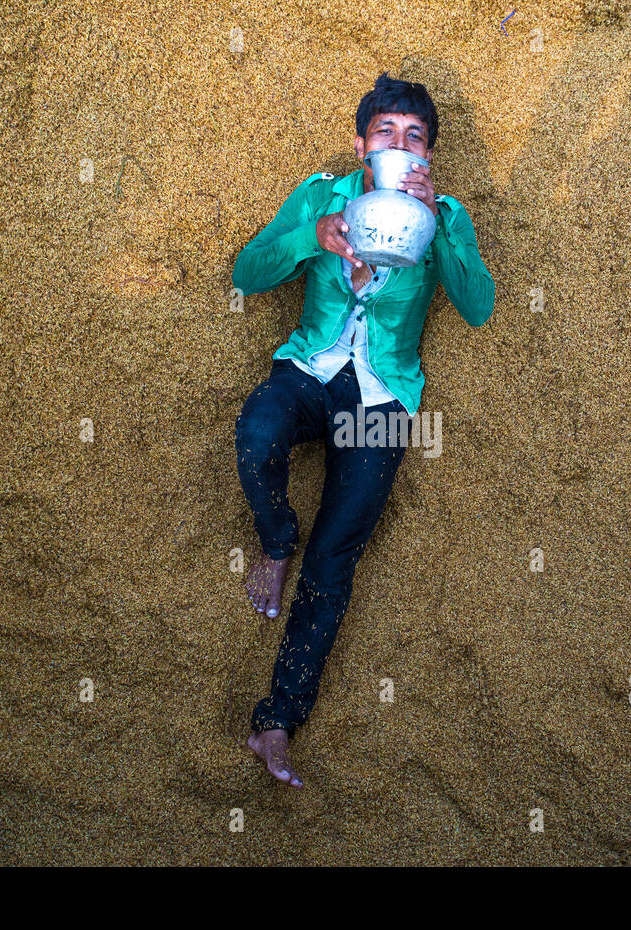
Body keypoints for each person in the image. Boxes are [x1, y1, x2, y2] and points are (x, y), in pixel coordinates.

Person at [232, 72, 495, 787]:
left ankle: (277, 720)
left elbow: (477, 306)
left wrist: (439, 229)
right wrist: (305, 238)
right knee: (256, 437)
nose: (400, 146)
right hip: (310, 371)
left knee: (334, 560)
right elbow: (247, 272)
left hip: (380, 401)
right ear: (361, 143)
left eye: (416, 139)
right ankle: (274, 541)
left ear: (429, 157)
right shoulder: (324, 194)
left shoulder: (449, 214)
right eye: (387, 132)